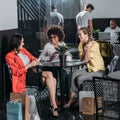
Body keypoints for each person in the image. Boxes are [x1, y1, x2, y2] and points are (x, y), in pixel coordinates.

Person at [5, 33, 59, 117]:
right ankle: (53, 105)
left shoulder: (23, 50)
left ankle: (53, 105)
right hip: (24, 78)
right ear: (17, 42)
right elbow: (16, 72)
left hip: (32, 73)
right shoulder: (9, 56)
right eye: (22, 42)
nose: (23, 44)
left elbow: (32, 58)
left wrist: (35, 62)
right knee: (51, 77)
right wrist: (30, 65)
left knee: (51, 77)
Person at [64, 27, 105, 108]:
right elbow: (81, 58)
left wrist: (88, 48)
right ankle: (71, 100)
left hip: (99, 71)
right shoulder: (81, 44)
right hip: (90, 69)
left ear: (86, 35)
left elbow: (86, 60)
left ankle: (79, 99)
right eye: (78, 35)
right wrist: (86, 48)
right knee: (74, 74)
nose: (79, 36)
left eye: (80, 34)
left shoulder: (94, 44)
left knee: (80, 79)